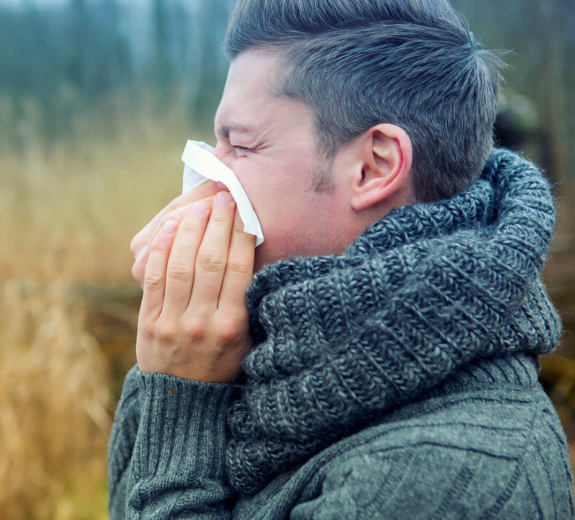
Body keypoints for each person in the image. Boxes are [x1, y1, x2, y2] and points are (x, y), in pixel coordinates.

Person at [107, 0, 575, 518]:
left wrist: (182, 402)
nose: (209, 178)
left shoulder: (443, 479)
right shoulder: (276, 354)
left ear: (373, 167)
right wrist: (176, 354)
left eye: (239, 146)